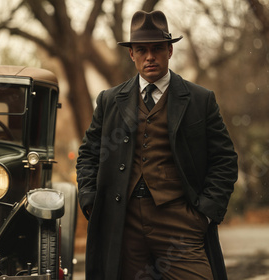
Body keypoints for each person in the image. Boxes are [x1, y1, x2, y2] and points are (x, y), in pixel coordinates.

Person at [76, 10, 238, 280]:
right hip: (123, 222)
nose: (149, 56)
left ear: (170, 50)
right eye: (142, 50)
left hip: (180, 220)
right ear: (132, 54)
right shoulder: (109, 100)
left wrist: (204, 215)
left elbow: (225, 159)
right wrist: (92, 201)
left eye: (157, 49)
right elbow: (88, 155)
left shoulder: (200, 99)